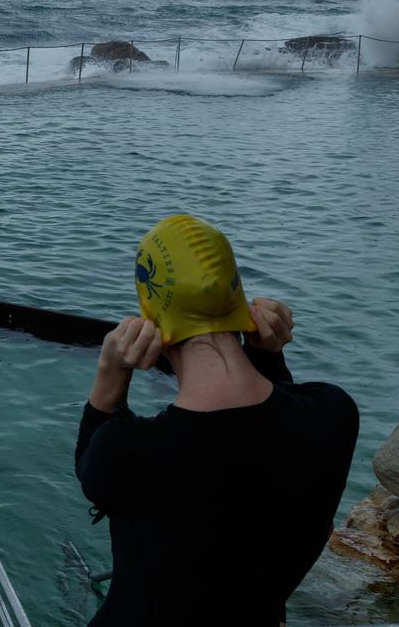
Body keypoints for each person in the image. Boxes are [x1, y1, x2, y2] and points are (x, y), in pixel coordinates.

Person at [74, 214, 358, 627]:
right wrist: (267, 356)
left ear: (151, 319)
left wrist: (110, 373)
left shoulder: (128, 451)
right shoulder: (334, 414)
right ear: (239, 299)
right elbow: (275, 434)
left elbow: (88, 469)